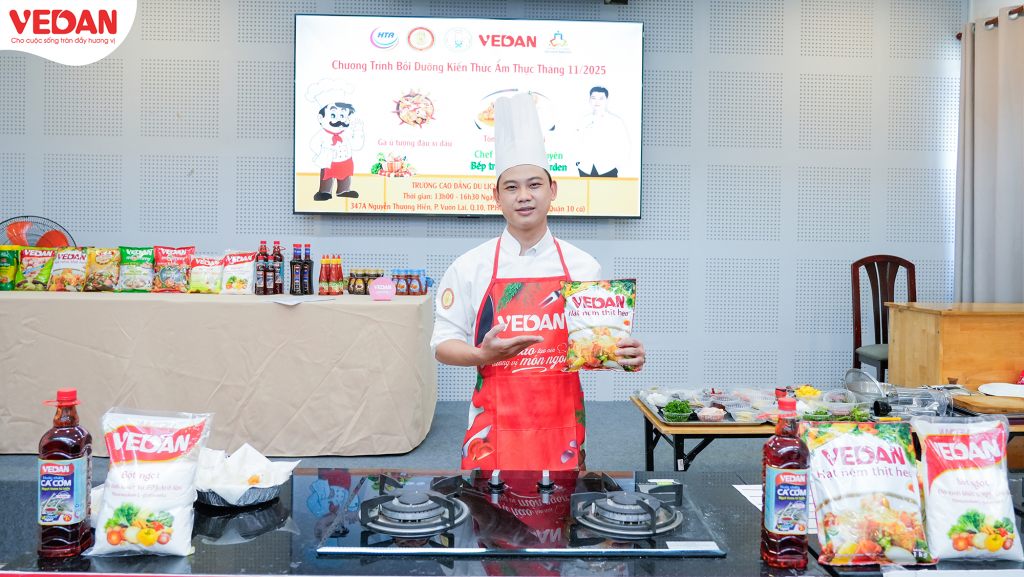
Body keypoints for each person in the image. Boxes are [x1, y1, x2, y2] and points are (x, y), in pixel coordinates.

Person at [432, 93, 645, 471]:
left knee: (561, 508)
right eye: (511, 187)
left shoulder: (583, 266)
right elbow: (443, 345)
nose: (524, 196)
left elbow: (597, 346)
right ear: (496, 196)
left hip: (561, 425)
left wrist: (624, 353)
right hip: (493, 427)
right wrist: (482, 355)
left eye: (534, 184)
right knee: (486, 509)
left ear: (553, 190)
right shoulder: (470, 267)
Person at [575, 86, 630, 178]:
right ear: (589, 100)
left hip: (608, 169)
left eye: (601, 98)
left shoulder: (615, 121)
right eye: (594, 98)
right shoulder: (584, 121)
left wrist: (618, 166)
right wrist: (578, 162)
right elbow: (577, 143)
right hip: (585, 168)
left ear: (607, 100)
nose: (597, 102)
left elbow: (625, 144)